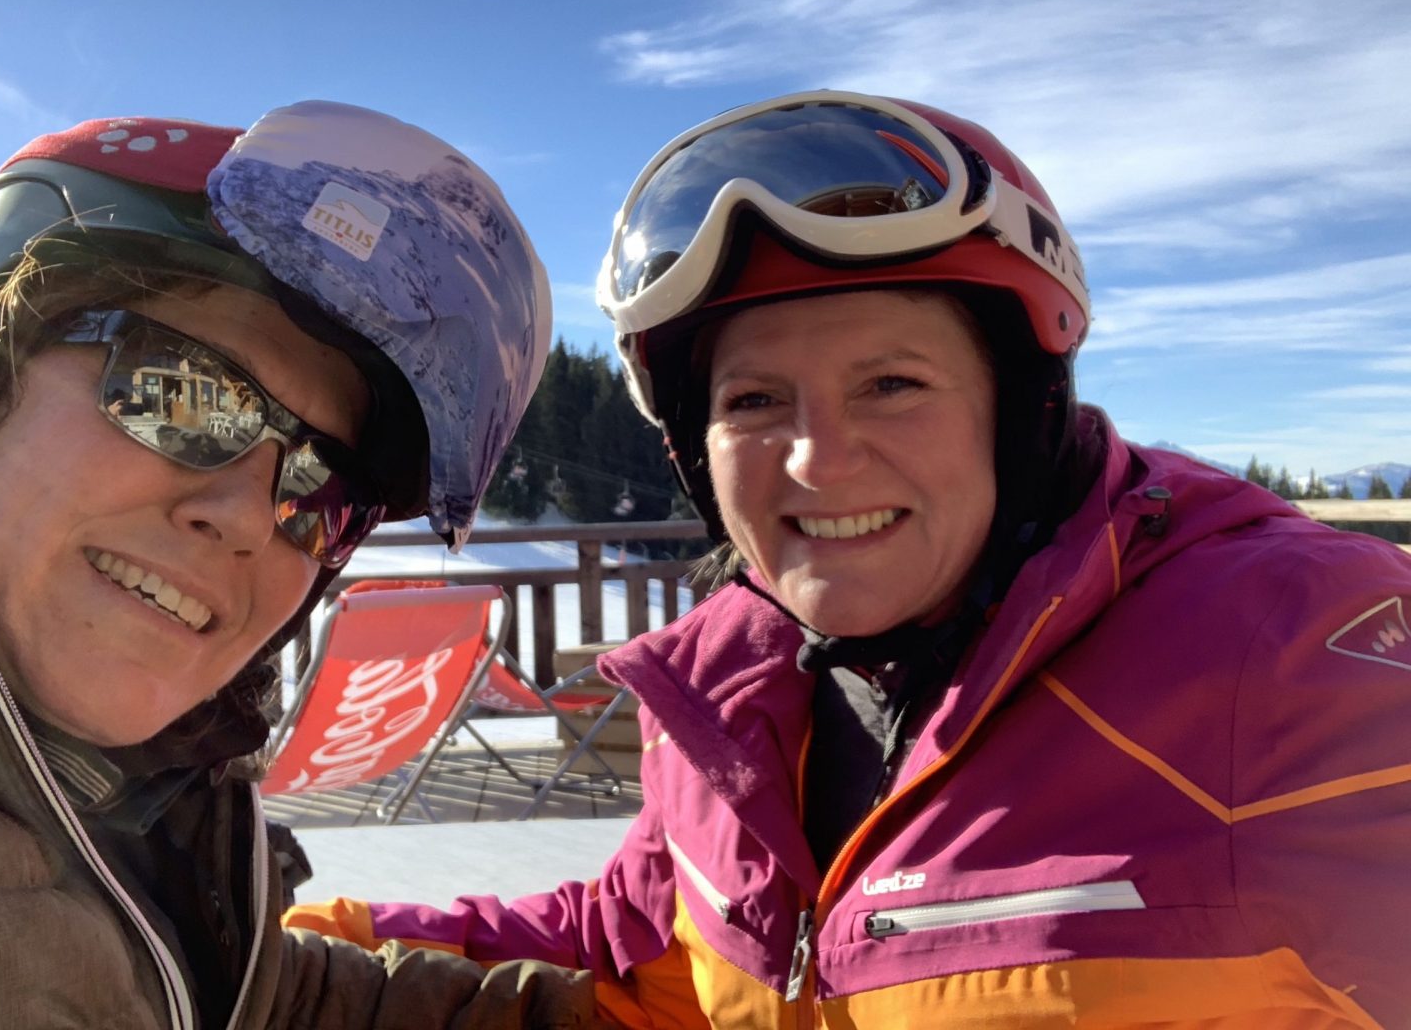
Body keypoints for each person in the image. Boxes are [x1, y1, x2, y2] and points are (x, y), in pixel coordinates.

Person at [285, 91, 1411, 1027]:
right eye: (754, 400)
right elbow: (640, 954)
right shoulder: (731, 695)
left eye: (892, 384)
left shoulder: (1293, 643)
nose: (817, 461)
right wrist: (279, 953)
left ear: (1015, 410)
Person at [0, 101, 603, 1028]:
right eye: (180, 394)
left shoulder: (146, 815)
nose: (245, 520)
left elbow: (259, 1004)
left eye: (318, 490)